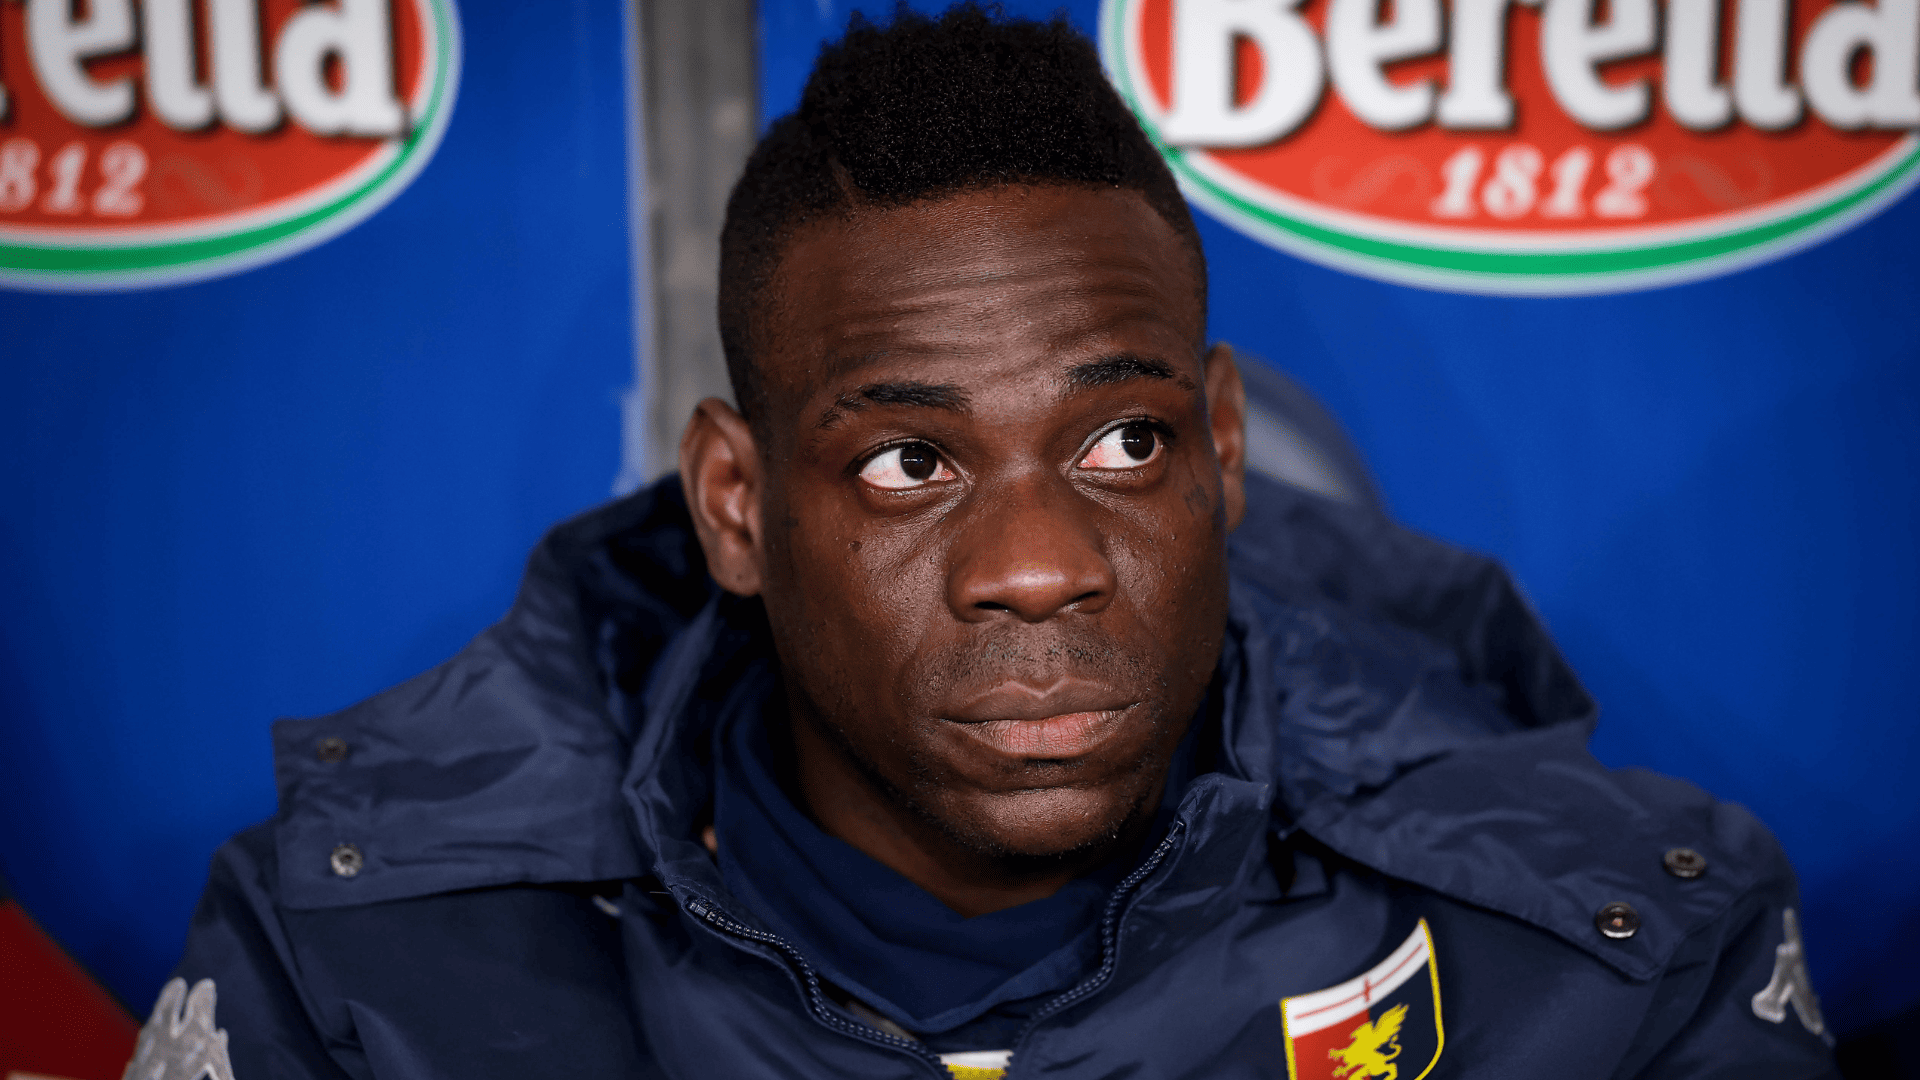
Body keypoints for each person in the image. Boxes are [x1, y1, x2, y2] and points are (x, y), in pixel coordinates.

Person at [135, 7, 1837, 1078]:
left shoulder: (1613, 945)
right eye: (907, 462)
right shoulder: (358, 956)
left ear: (1222, 450)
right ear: (736, 505)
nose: (1036, 564)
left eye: (1122, 442)